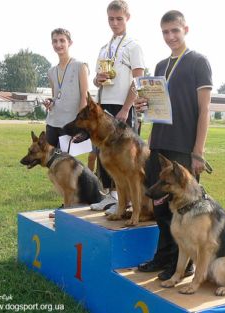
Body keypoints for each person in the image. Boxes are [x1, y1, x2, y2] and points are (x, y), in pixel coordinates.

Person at [135, 10, 213, 281]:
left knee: (185, 212)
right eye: (165, 32)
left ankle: (187, 264)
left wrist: (198, 152)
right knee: (159, 206)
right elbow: (156, 108)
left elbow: (205, 111)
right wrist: (142, 105)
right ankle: (163, 257)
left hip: (183, 148)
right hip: (158, 144)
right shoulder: (158, 66)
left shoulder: (198, 62)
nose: (170, 37)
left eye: (174, 31)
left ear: (185, 30)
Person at [90, 0, 145, 212]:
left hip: (123, 107)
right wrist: (97, 79)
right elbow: (96, 80)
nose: (115, 23)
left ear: (127, 18)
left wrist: (125, 109)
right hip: (104, 106)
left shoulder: (134, 46)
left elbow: (138, 81)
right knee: (104, 151)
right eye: (111, 19)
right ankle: (110, 195)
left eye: (119, 19)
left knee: (123, 155)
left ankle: (127, 201)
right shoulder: (104, 49)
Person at [44, 28, 89, 148]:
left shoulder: (80, 66)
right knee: (51, 164)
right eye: (55, 41)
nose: (58, 44)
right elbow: (55, 97)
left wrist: (79, 125)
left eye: (62, 40)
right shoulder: (51, 71)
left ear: (70, 43)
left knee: (65, 164)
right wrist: (49, 102)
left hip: (70, 124)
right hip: (52, 123)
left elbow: (84, 97)